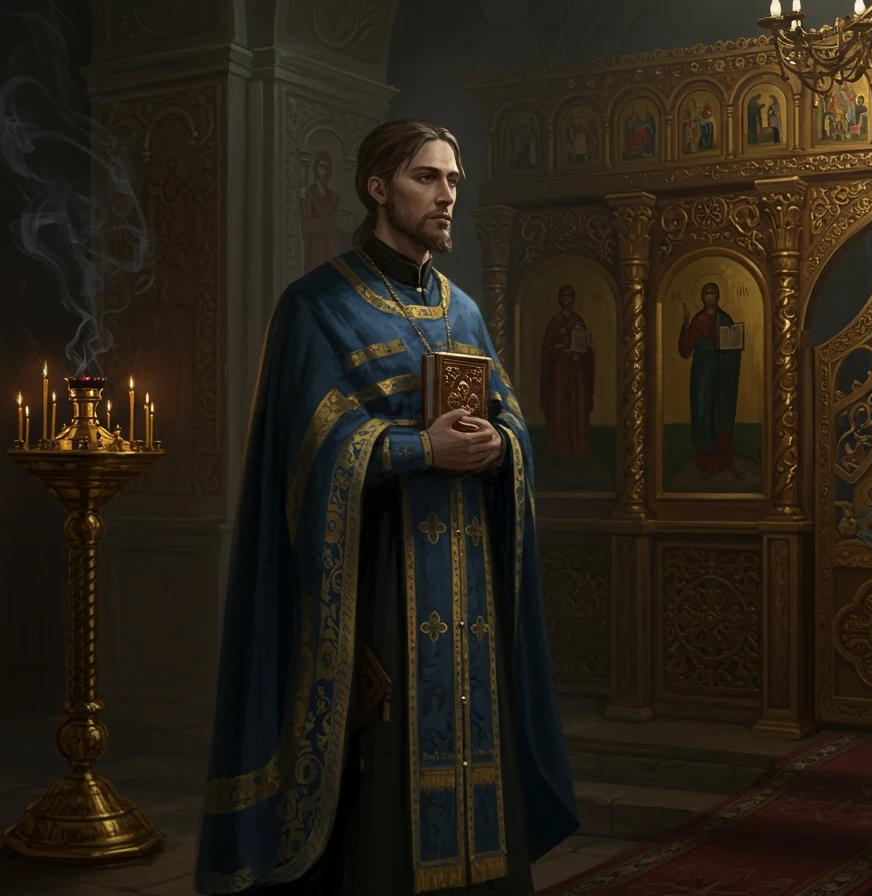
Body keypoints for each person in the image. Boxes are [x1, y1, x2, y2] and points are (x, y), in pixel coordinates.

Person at [194, 119, 577, 895]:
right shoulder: (318, 306)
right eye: (426, 178)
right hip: (373, 596)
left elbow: (510, 421)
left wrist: (502, 445)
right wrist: (418, 450)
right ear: (377, 188)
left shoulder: (463, 313)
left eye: (453, 180)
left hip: (469, 603)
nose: (447, 195)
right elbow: (305, 456)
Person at [678, 281, 743, 481]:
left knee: (723, 413)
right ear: (702, 296)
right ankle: (705, 466)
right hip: (703, 375)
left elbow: (733, 344)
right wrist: (686, 324)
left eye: (713, 293)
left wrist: (734, 346)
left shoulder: (726, 319)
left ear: (718, 295)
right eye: (707, 293)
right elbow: (685, 351)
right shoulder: (698, 321)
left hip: (722, 374)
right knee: (704, 413)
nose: (710, 296)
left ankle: (725, 463)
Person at [539, 284, 594, 466]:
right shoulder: (555, 322)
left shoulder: (578, 320)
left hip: (577, 373)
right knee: (561, 408)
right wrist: (562, 350)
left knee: (577, 408)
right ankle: (560, 450)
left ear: (574, 299)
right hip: (560, 373)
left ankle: (577, 451)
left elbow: (587, 345)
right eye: (564, 296)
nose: (567, 300)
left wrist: (583, 351)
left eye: (570, 297)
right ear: (559, 299)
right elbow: (546, 347)